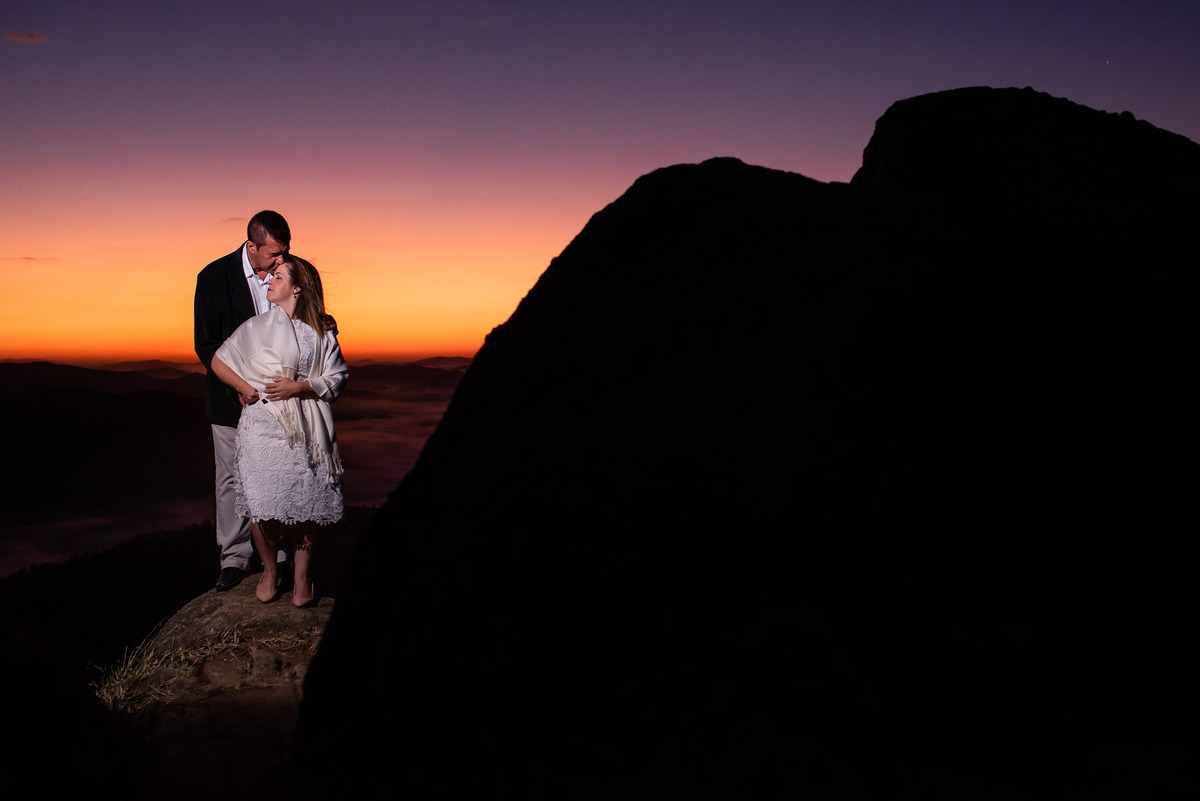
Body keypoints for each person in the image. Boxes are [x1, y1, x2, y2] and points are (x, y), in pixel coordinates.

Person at [210, 255, 348, 607]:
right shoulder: (255, 327)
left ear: (297, 287)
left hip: (304, 430)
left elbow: (336, 377)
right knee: (261, 504)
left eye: (278, 276)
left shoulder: (321, 332)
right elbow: (218, 361)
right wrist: (243, 387)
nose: (269, 280)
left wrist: (297, 388)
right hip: (259, 429)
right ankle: (270, 570)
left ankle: (302, 578)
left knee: (304, 503)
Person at [195, 211, 291, 591]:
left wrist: (326, 322)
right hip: (230, 400)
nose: (280, 261)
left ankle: (280, 556)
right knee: (232, 479)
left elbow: (304, 313)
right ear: (251, 246)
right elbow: (206, 344)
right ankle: (233, 559)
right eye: (272, 254)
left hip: (279, 400)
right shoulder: (214, 277)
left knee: (279, 477)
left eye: (284, 252)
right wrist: (237, 383)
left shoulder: (289, 270)